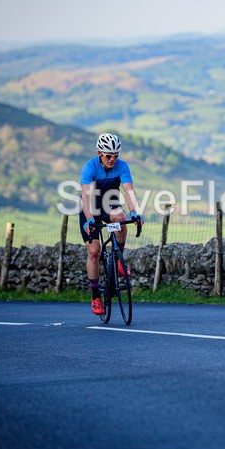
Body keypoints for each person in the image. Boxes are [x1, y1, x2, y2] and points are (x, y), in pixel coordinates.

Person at [80, 133, 144, 315]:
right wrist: (90, 219)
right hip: (89, 207)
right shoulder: (89, 168)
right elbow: (85, 197)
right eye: (108, 156)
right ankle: (95, 296)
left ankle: (117, 258)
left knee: (121, 217)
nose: (112, 159)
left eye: (116, 155)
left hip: (109, 204)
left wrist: (135, 212)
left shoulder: (122, 167)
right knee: (94, 252)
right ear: (99, 153)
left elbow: (129, 191)